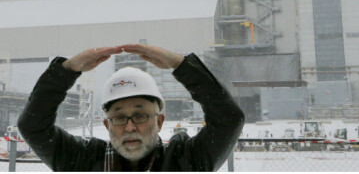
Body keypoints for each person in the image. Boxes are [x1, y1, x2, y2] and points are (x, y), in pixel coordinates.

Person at [18, 44, 245, 171]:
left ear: (159, 121)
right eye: (119, 118)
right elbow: (33, 126)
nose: (129, 128)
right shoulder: (82, 162)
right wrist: (65, 70)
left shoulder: (185, 161)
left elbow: (228, 119)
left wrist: (181, 65)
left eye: (140, 115)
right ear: (107, 125)